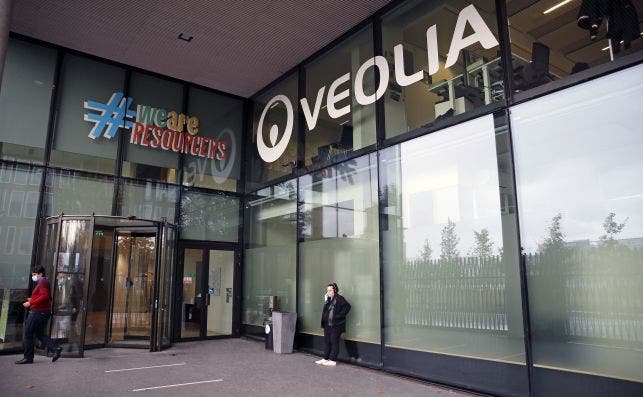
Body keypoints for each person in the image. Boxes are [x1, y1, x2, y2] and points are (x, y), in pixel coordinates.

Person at [15, 266, 62, 364]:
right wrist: (32, 299)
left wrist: (30, 303)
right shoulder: (44, 282)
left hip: (37, 312)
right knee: (40, 334)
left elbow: (45, 296)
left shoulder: (43, 282)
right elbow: (45, 297)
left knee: (28, 334)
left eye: (35, 274)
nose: (33, 276)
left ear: (40, 274)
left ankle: (28, 358)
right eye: (33, 274)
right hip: (43, 312)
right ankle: (55, 348)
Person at [315, 282, 350, 366]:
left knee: (334, 342)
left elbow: (348, 307)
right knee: (327, 342)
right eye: (327, 290)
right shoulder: (329, 300)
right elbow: (326, 312)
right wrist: (326, 300)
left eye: (330, 290)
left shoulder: (339, 298)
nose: (328, 292)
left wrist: (339, 316)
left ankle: (333, 360)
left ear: (335, 290)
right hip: (328, 325)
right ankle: (325, 358)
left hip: (336, 325)